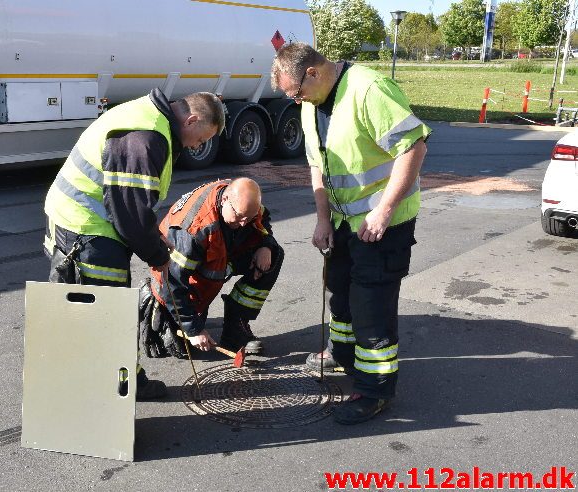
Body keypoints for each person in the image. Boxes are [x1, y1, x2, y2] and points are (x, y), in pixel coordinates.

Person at [271, 43, 430, 424]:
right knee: (340, 291)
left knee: (371, 306)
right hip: (344, 222)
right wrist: (322, 219)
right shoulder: (312, 105)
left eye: (296, 92)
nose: (296, 101)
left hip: (383, 224)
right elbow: (317, 165)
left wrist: (384, 210)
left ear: (313, 72)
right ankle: (342, 355)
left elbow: (413, 147)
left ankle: (374, 390)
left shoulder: (369, 90)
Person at [42, 88, 225, 400]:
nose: (198, 147)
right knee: (108, 315)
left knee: (95, 313)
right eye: (202, 139)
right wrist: (157, 255)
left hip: (81, 219)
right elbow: (128, 212)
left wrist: (154, 237)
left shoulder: (150, 118)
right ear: (192, 119)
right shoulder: (147, 137)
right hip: (87, 230)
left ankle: (110, 383)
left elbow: (130, 201)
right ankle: (116, 391)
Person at [138, 178, 283, 359]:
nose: (245, 223)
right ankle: (161, 308)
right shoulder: (193, 230)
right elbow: (171, 282)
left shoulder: (244, 206)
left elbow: (262, 220)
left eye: (249, 218)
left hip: (217, 260)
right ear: (224, 200)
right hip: (178, 285)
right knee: (185, 348)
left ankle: (236, 327)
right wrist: (192, 329)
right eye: (239, 217)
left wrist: (266, 245)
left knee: (275, 254)